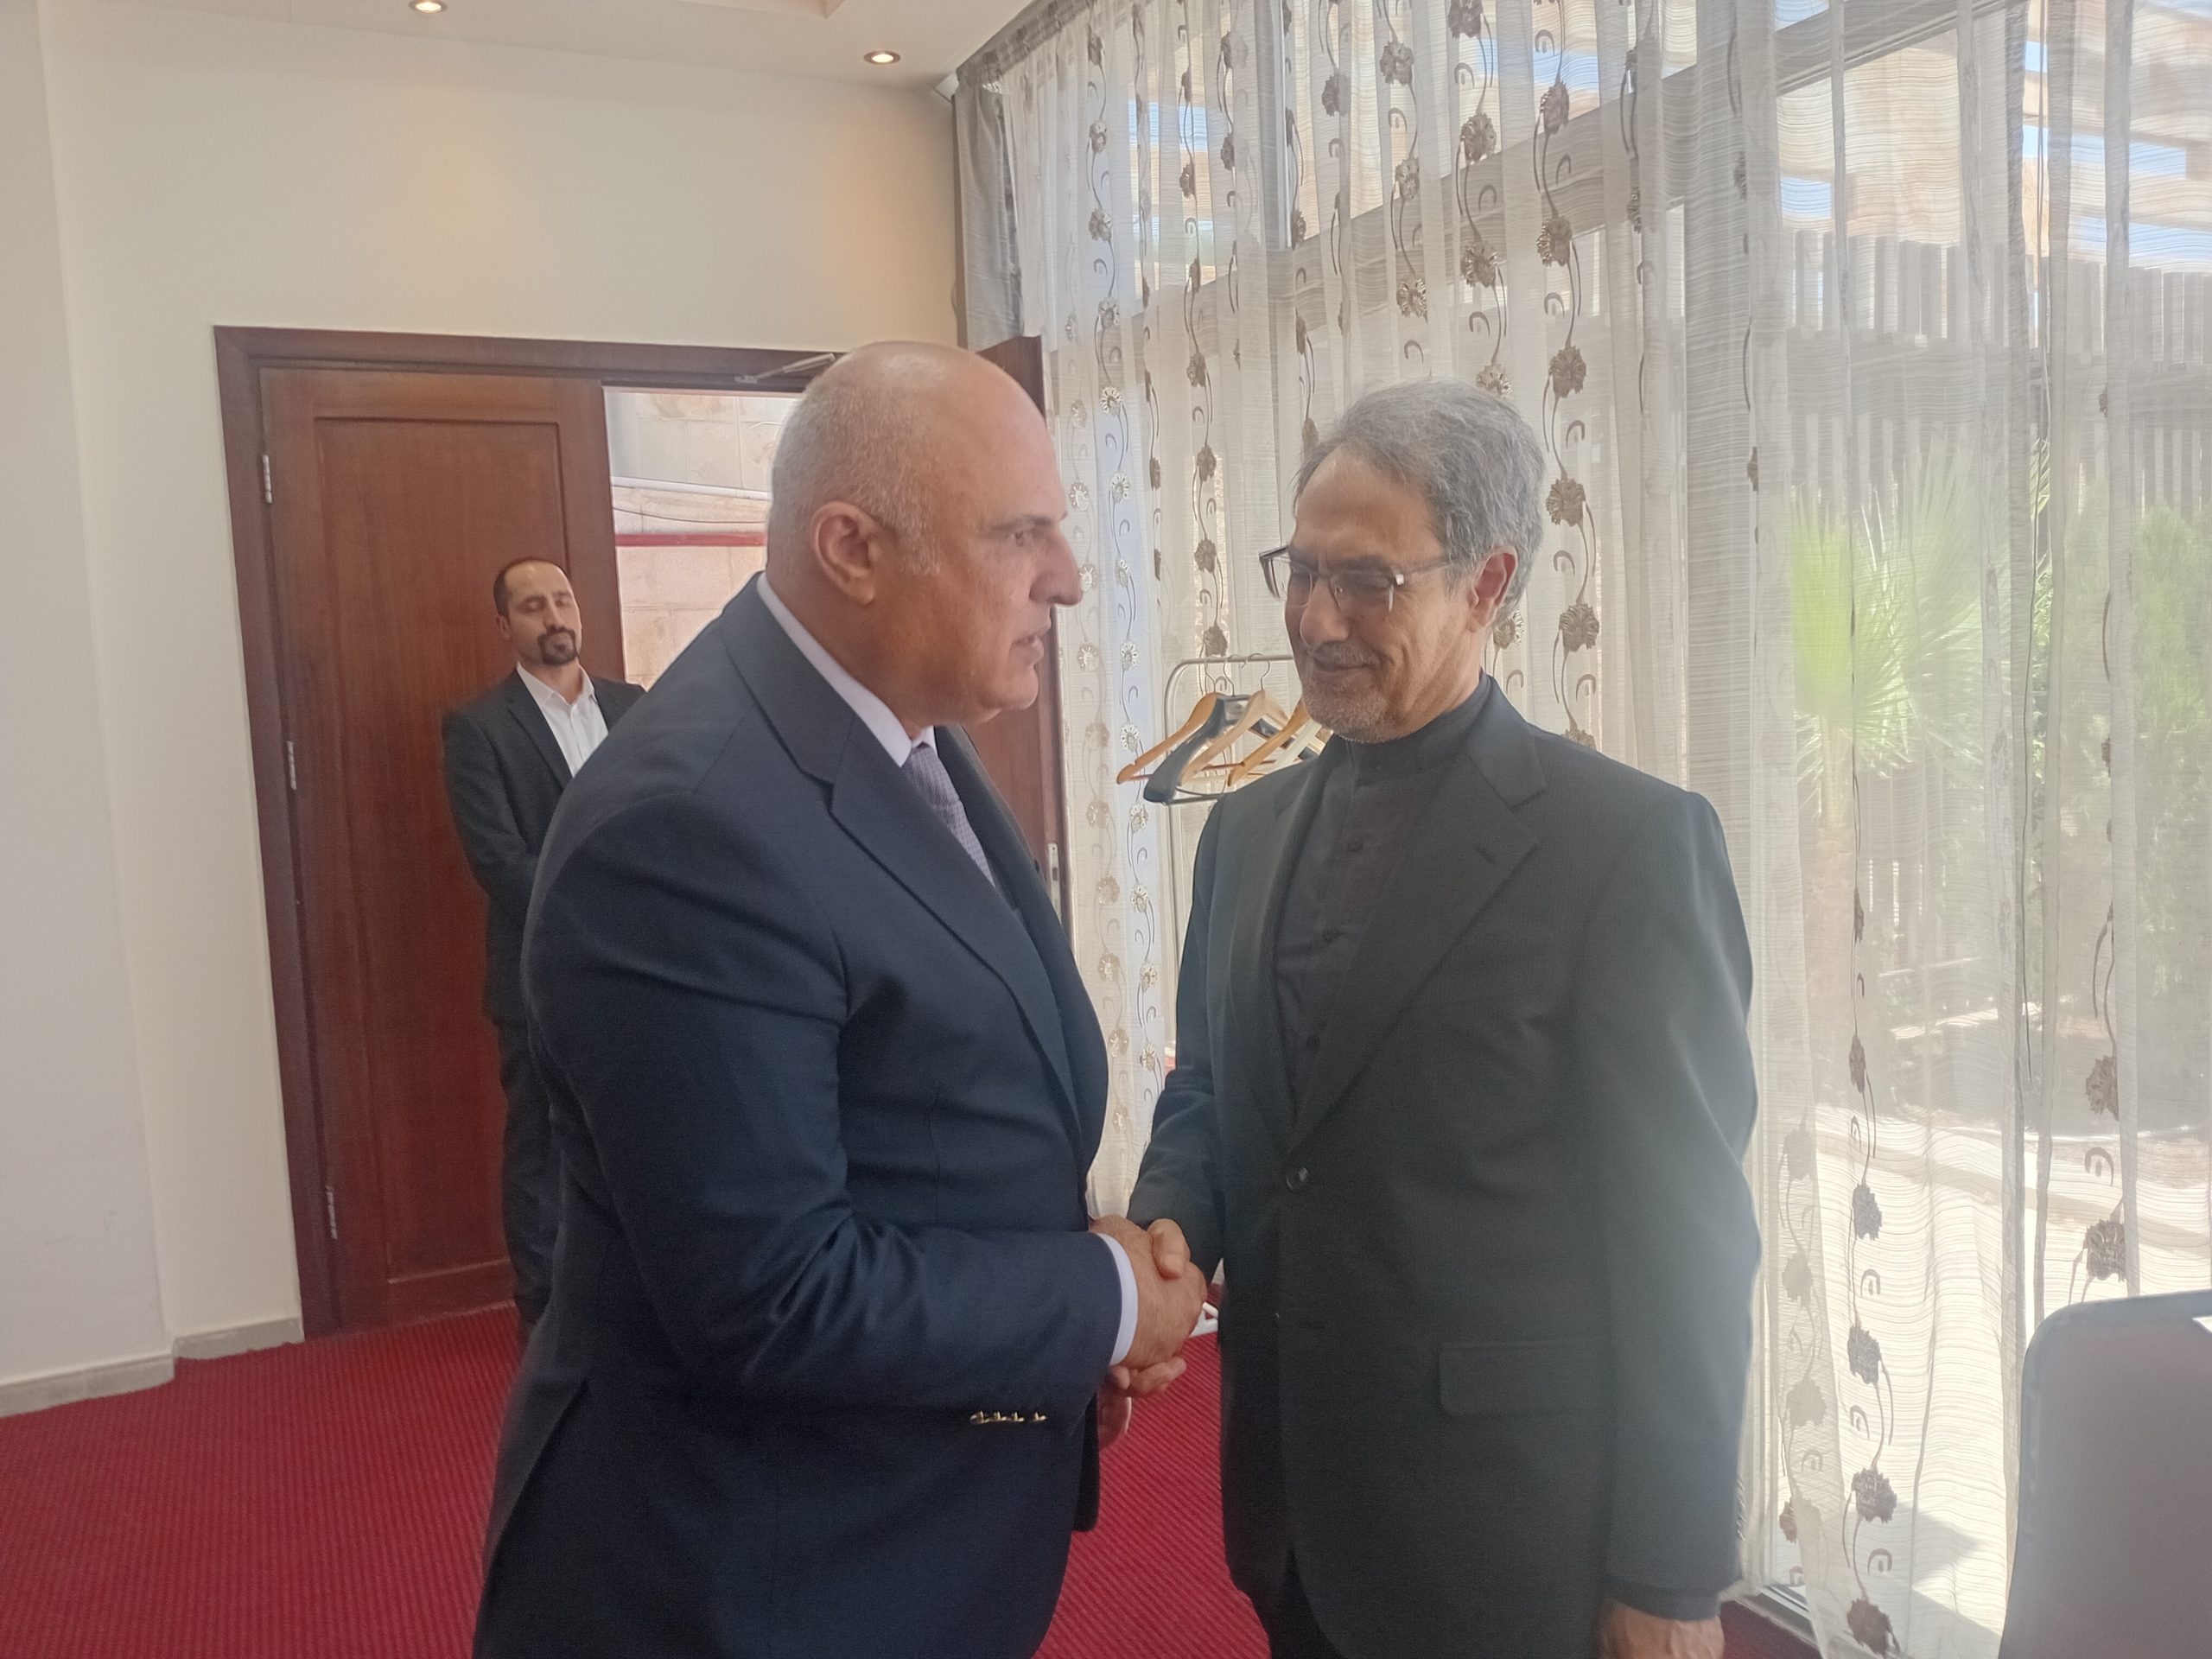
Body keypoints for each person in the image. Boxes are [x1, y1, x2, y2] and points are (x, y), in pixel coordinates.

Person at [473, 344, 1210, 1659]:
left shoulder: (901, 725)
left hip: (904, 1521)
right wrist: (1097, 1296)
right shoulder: (688, 825)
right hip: (753, 1579)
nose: (1068, 578)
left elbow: (923, 1105)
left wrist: (1052, 1320)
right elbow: (773, 1293)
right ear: (852, 549)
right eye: (1020, 535)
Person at [1129, 380, 1761, 1659]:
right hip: (1291, 1509)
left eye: (1367, 581)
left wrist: (1671, 1571)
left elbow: (1686, 1237)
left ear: (1487, 585)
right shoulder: (1244, 834)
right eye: (1302, 571)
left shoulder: (1625, 846)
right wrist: (1170, 1222)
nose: (1317, 619)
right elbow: (1214, 1087)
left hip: (1506, 1539)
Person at [442, 558, 643, 1331]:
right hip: (541, 975)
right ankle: (547, 1320)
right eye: (532, 606)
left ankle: (636, 1300)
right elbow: (499, 862)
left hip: (642, 971)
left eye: (562, 600)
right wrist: (603, 917)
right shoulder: (479, 729)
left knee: (640, 1136)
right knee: (543, 1150)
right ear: (505, 626)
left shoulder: (633, 707)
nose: (554, 616)